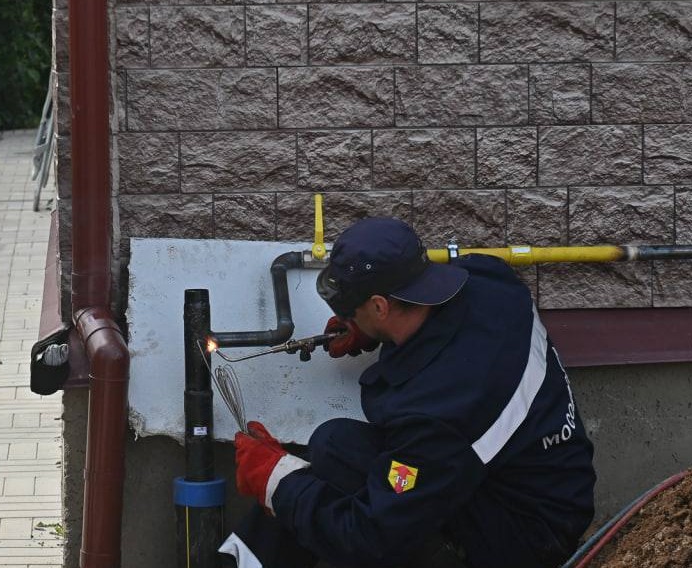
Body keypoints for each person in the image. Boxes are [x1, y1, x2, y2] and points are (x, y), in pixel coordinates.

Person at [222, 217, 596, 568]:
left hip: (527, 540)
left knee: (343, 505)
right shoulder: (492, 280)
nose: (347, 317)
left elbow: (369, 537)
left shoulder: (437, 413)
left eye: (352, 310)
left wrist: (278, 483)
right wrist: (370, 329)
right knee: (333, 445)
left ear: (380, 306)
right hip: (547, 485)